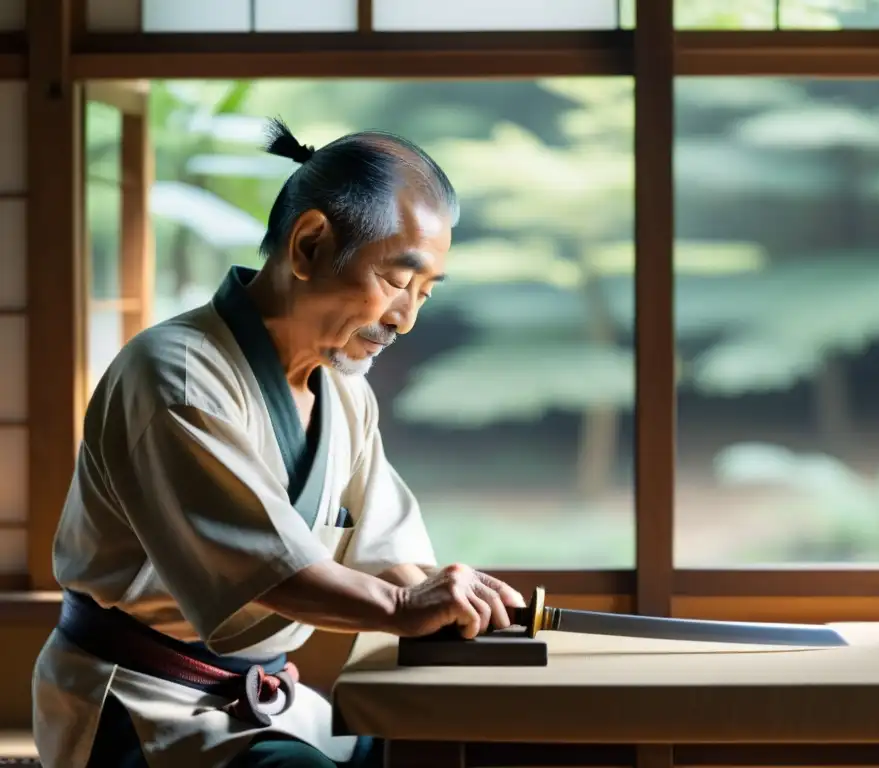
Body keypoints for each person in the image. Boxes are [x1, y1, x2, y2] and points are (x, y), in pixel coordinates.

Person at [31, 118, 525, 768]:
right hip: (144, 705)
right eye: (399, 282)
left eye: (425, 294)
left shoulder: (344, 391)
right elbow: (269, 570)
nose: (405, 318)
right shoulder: (174, 374)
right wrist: (404, 606)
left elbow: (387, 552)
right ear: (310, 244)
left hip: (266, 699)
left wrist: (455, 601)